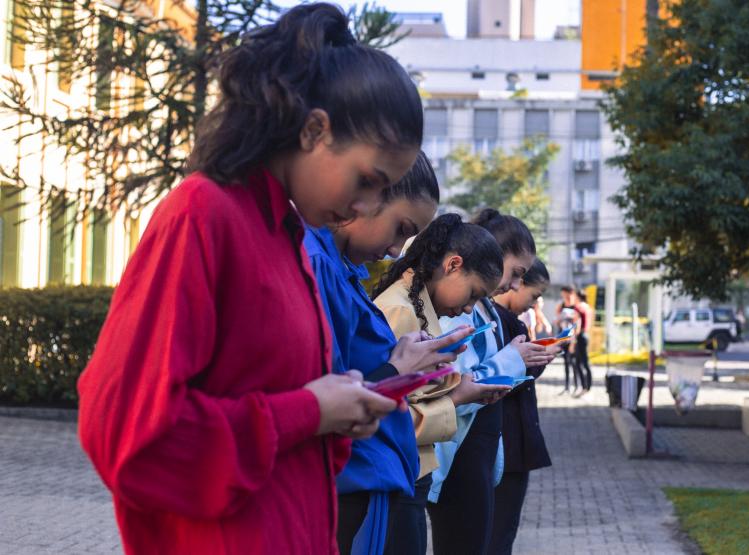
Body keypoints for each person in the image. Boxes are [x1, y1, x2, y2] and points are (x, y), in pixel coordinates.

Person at [76, 5, 450, 553]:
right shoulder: (202, 215)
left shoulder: (289, 238)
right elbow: (126, 435)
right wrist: (309, 411)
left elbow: (278, 412)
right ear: (314, 129)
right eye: (368, 181)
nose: (366, 206)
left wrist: (338, 414)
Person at [306, 153, 479, 554]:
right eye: (401, 229)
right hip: (345, 482)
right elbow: (321, 400)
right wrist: (398, 368)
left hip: (367, 480)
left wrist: (403, 362)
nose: (394, 249)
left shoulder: (339, 267)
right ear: (364, 195)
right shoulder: (316, 263)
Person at [373, 213, 512, 555]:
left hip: (410, 475)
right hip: (397, 479)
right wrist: (457, 398)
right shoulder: (399, 311)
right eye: (473, 294)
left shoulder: (417, 307)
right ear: (452, 264)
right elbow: (385, 420)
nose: (468, 308)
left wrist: (457, 387)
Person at [430, 209, 555, 555]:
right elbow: (455, 385)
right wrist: (513, 360)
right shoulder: (459, 309)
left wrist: (520, 363)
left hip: (480, 456)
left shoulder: (483, 309)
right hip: (459, 458)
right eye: (515, 273)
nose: (516, 286)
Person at [489, 259, 555, 554]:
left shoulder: (497, 317)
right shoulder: (496, 320)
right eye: (534, 295)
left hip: (506, 446)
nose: (533, 304)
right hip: (505, 446)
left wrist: (534, 359)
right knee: (497, 535)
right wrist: (533, 361)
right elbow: (504, 379)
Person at [555, 286, 584, 395]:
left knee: (574, 363)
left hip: (573, 339)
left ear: (570, 293)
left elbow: (578, 325)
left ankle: (577, 386)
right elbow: (557, 321)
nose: (563, 296)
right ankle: (567, 387)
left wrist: (574, 340)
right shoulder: (561, 306)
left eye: (564, 293)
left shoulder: (576, 306)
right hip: (563, 339)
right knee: (566, 363)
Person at [572, 289, 594, 395]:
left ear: (577, 296)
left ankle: (585, 387)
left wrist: (573, 340)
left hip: (580, 336)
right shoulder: (588, 307)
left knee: (579, 363)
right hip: (586, 335)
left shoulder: (578, 307)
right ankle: (588, 385)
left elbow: (578, 324)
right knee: (584, 362)